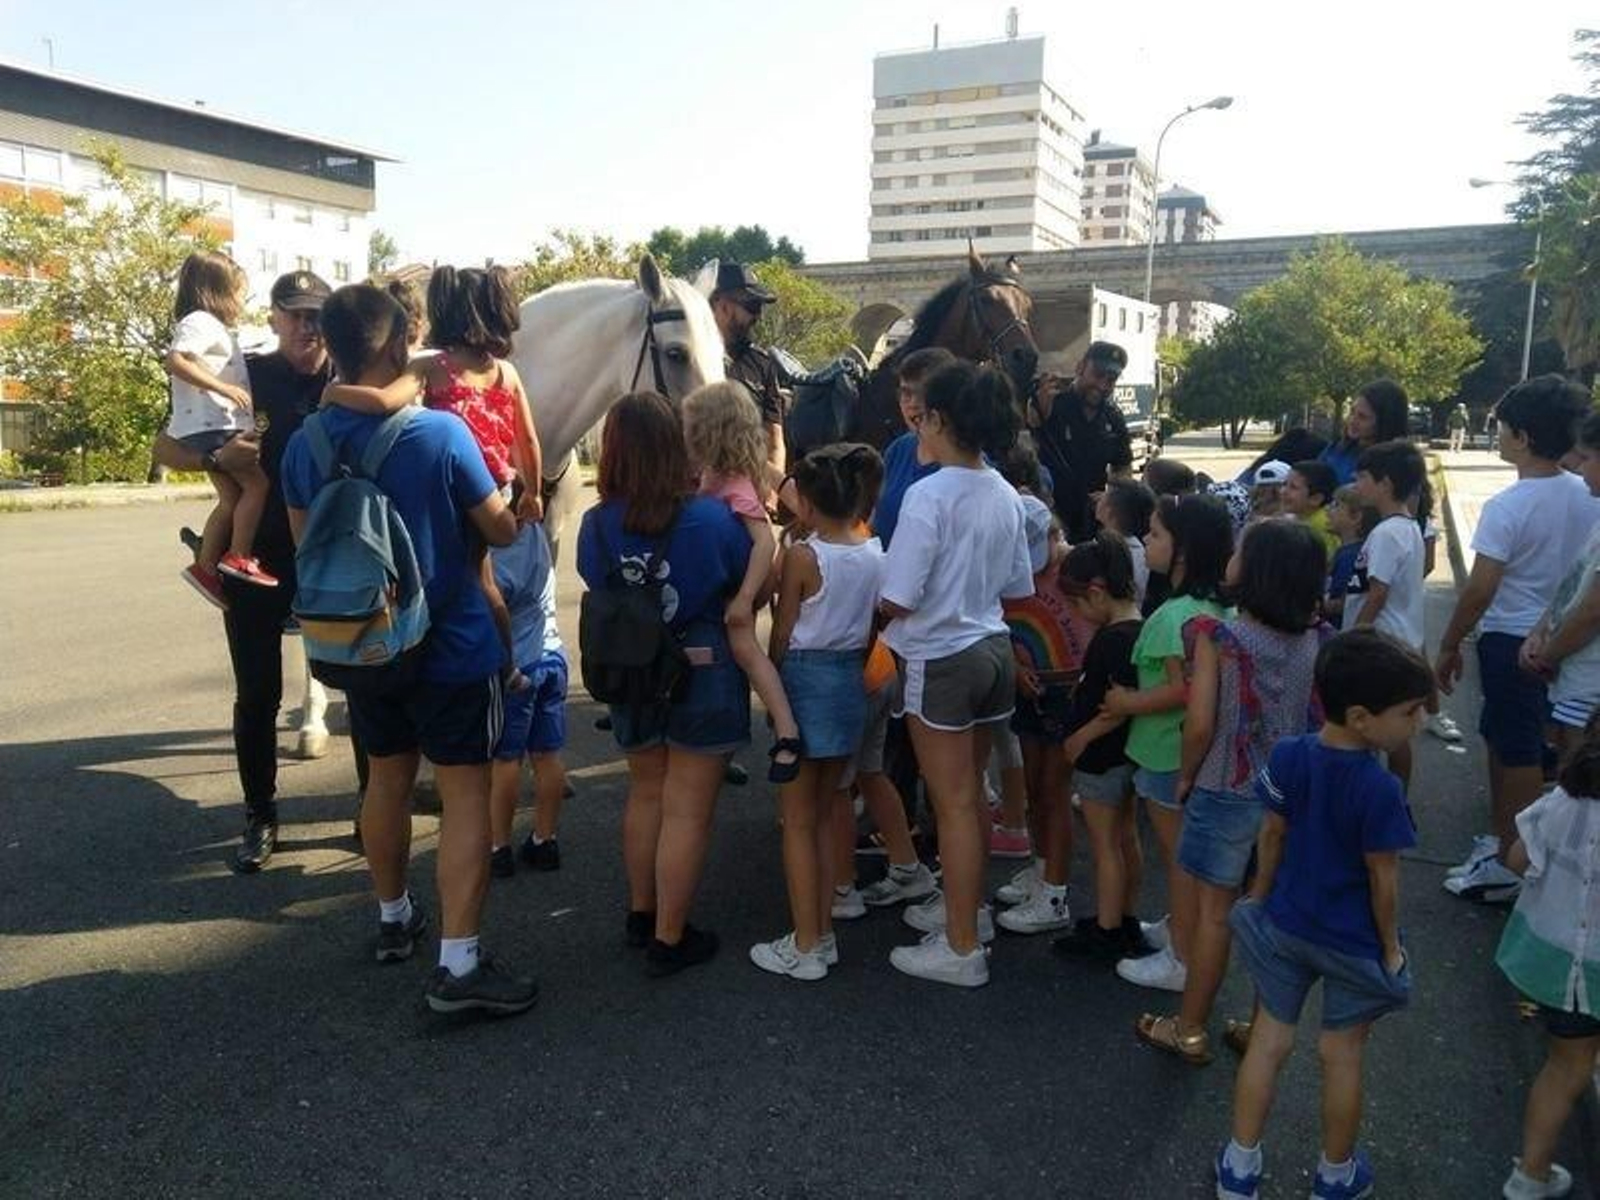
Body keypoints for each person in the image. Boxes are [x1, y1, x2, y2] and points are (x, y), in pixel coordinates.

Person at [281, 283, 535, 1015]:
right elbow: (501, 531)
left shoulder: (307, 443)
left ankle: (395, 920)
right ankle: (459, 966)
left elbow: (307, 546)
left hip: (364, 645)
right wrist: (510, 493)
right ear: (396, 345)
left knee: (384, 782)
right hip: (451, 645)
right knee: (463, 797)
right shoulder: (441, 435)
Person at [1214, 629, 1433, 1200]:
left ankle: (1239, 1169)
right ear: (1362, 717)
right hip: (1352, 941)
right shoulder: (1379, 789)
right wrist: (1390, 948)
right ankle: (1335, 1176)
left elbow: (1272, 832)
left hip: (1286, 923)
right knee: (1340, 1055)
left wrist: (1260, 896)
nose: (1419, 723)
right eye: (1410, 712)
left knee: (1268, 1043)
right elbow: (1383, 879)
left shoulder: (1290, 755)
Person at [154, 270, 338, 871]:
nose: (306, 327)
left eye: (317, 316)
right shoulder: (244, 374)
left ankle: (371, 810)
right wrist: (212, 455)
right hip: (255, 556)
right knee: (258, 694)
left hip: (336, 558)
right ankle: (260, 813)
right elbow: (163, 446)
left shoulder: (353, 380)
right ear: (274, 319)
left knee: (359, 688)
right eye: (295, 314)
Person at [1136, 520, 1332, 1065]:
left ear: (1254, 570)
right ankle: (1258, 1024)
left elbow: (1200, 723)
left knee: (1214, 915)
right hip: (1287, 795)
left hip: (1226, 787)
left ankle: (1190, 1027)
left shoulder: (1221, 638)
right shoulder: (1317, 639)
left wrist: (1185, 774)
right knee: (1268, 910)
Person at [576, 391, 753, 976]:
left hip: (631, 674)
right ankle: (670, 937)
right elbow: (740, 573)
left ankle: (640, 910)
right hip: (699, 671)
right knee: (687, 809)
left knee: (646, 792)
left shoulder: (596, 526)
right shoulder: (709, 520)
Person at [880, 361, 1033, 987]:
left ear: (939, 420)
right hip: (991, 648)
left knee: (955, 807)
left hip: (939, 657)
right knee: (969, 795)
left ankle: (962, 945)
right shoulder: (1003, 490)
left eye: (923, 414)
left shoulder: (928, 494)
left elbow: (899, 597)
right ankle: (965, 913)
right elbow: (1017, 584)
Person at [323, 265, 543, 693]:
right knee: (482, 579)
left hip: (451, 484)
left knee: (437, 574)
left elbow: (385, 401)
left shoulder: (432, 366)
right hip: (495, 490)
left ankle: (417, 649)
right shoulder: (506, 372)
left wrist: (335, 393)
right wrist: (531, 493)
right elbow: (528, 440)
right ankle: (508, 663)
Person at [1435, 375, 1599, 903]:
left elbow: (1481, 588)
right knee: (1519, 741)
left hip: (1512, 642)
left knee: (1516, 750)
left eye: (1500, 428)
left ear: (1522, 437)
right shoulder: (1585, 492)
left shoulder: (1509, 506)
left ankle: (1514, 862)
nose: (1497, 434)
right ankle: (1508, 839)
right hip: (1557, 640)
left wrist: (1449, 642)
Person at [749, 445, 885, 980]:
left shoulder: (805, 556)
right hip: (851, 678)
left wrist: (773, 690)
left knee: (799, 822)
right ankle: (820, 929)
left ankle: (808, 943)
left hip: (807, 680)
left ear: (805, 502)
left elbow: (782, 632)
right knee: (831, 808)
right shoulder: (874, 550)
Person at [1102, 493, 1234, 993]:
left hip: (1165, 754)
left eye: (1155, 534)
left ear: (1183, 550)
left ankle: (1183, 955)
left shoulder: (1171, 615)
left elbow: (1182, 689)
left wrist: (1124, 703)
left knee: (1180, 858)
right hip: (1191, 753)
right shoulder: (1218, 606)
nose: (1147, 542)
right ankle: (1182, 930)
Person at [1493, 726, 1600, 1200]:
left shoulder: (1563, 802)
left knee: (1563, 1067)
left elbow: (1516, 861)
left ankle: (1530, 1175)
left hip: (1555, 962)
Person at [681, 382, 803, 782]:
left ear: (710, 432)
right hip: (721, 579)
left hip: (736, 590)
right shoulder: (714, 475)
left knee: (746, 650)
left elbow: (764, 540)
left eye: (691, 427)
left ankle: (786, 730)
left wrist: (745, 598)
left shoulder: (734, 483)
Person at [995, 500, 1093, 934]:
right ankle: (1040, 869)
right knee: (1035, 787)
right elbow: (999, 620)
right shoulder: (1006, 563)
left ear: (1056, 534)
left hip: (1069, 689)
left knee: (1055, 791)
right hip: (1029, 686)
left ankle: (1054, 893)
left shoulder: (1082, 567)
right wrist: (1016, 667)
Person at [1050, 533, 1147, 962]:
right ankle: (1124, 917)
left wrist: (1077, 740)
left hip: (1100, 755)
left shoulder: (1111, 640)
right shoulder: (1140, 628)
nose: (1076, 614)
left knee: (1104, 843)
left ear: (1096, 592)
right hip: (1127, 755)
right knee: (1126, 837)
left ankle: (1107, 930)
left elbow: (1113, 706)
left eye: (1075, 605)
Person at [165, 251, 279, 601]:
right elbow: (176, 360)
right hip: (215, 424)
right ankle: (239, 555)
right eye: (239, 292)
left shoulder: (210, 326)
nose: (242, 301)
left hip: (203, 426)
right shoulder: (201, 321)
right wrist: (223, 387)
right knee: (257, 487)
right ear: (217, 290)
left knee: (231, 496)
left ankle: (206, 567)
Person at [1343, 440, 1428, 793]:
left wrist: (1353, 639)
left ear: (1386, 484)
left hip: (1378, 645)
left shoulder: (1387, 532)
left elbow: (1377, 592)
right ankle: (1395, 798)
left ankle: (1387, 798)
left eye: (1362, 477)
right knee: (1393, 731)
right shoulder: (1408, 528)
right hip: (1395, 640)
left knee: (1377, 732)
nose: (1356, 485)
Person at [488, 521, 570, 877]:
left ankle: (498, 846)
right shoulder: (535, 531)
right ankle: (544, 838)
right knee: (547, 754)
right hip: (553, 655)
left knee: (507, 760)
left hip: (519, 666)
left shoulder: (496, 554)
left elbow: (493, 605)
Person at [1522, 412, 1600, 765]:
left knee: (1580, 788)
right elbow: (1574, 586)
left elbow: (1592, 611)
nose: (1577, 467)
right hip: (1575, 675)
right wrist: (1541, 630)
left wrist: (1547, 656)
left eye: (1585, 458)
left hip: (1589, 682)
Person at [1028, 340, 1134, 542]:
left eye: (1111, 379)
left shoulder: (1113, 417)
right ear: (1080, 368)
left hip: (1093, 522)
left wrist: (1113, 497)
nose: (1102, 385)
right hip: (1051, 517)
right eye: (1097, 375)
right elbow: (1030, 429)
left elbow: (1123, 467)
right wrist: (1039, 412)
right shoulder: (1052, 403)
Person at [871, 347, 957, 549]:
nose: (913, 404)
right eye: (906, 393)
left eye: (923, 393)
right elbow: (874, 521)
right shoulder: (899, 449)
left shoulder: (967, 464)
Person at [710, 261, 788, 478]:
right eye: (752, 307)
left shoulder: (761, 364)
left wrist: (771, 498)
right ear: (722, 305)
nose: (758, 316)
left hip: (750, 495)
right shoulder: (687, 360)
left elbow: (775, 440)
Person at [1319, 379, 1411, 487]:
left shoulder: (1398, 464)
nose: (1352, 421)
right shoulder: (1336, 449)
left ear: (1385, 422)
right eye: (1352, 412)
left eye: (1362, 417)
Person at [1094, 477, 1156, 608]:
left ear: (1109, 513)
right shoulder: (1141, 550)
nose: (1098, 498)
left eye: (1104, 496)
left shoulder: (1102, 551)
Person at [1323, 485, 1377, 626]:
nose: (1327, 510)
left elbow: (1344, 602)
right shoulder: (1346, 551)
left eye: (1336, 505)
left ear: (1356, 517)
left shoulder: (1351, 556)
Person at [1282, 460, 1341, 564]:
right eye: (1284, 484)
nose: (1283, 491)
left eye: (1293, 487)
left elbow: (1324, 564)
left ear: (1315, 499)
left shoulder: (1322, 525)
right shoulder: (1300, 517)